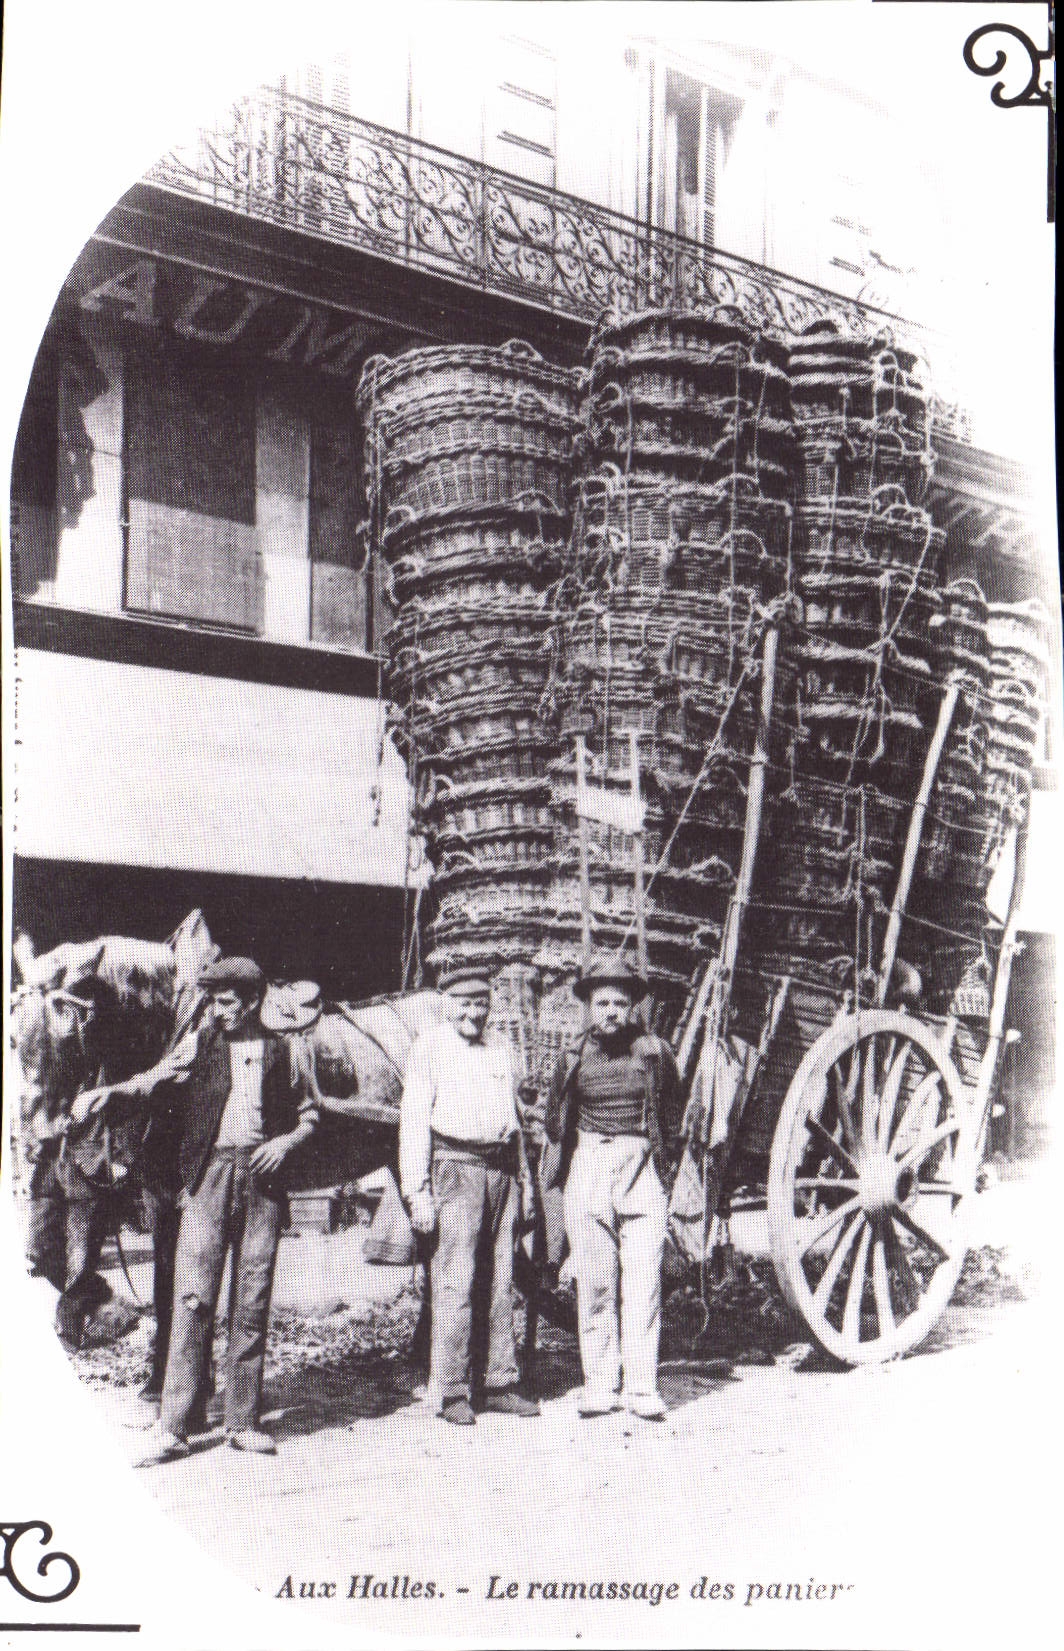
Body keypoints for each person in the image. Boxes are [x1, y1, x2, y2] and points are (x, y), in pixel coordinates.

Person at [133, 957, 318, 1465]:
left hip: (262, 1183)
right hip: (208, 1179)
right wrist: (109, 1093)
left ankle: (242, 1421)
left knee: (252, 1300)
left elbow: (309, 1114)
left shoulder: (284, 1049)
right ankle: (173, 1427)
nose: (218, 1010)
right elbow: (155, 1078)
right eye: (213, 1001)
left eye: (228, 1002)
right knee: (192, 1300)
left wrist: (284, 1143)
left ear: (253, 1001)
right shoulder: (201, 1043)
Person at [542, 952, 683, 1421]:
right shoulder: (571, 1057)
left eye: (619, 1004)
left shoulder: (655, 1053)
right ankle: (599, 1385)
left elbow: (673, 1113)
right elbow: (553, 1120)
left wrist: (659, 1165)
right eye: (602, 1003)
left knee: (642, 1282)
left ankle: (642, 1388)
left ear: (632, 1008)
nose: (610, 1013)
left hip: (640, 1166)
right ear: (587, 1006)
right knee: (596, 1283)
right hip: (588, 1166)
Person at [399, 970, 539, 1426]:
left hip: (501, 1171)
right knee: (456, 1281)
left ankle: (499, 1381)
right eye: (463, 1003)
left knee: (501, 1280)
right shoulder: (430, 1047)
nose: (473, 1012)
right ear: (446, 1002)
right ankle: (451, 1390)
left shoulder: (500, 1048)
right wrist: (416, 1191)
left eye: (481, 1003)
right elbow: (414, 1121)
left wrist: (527, 1183)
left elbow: (514, 1119)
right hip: (455, 1169)